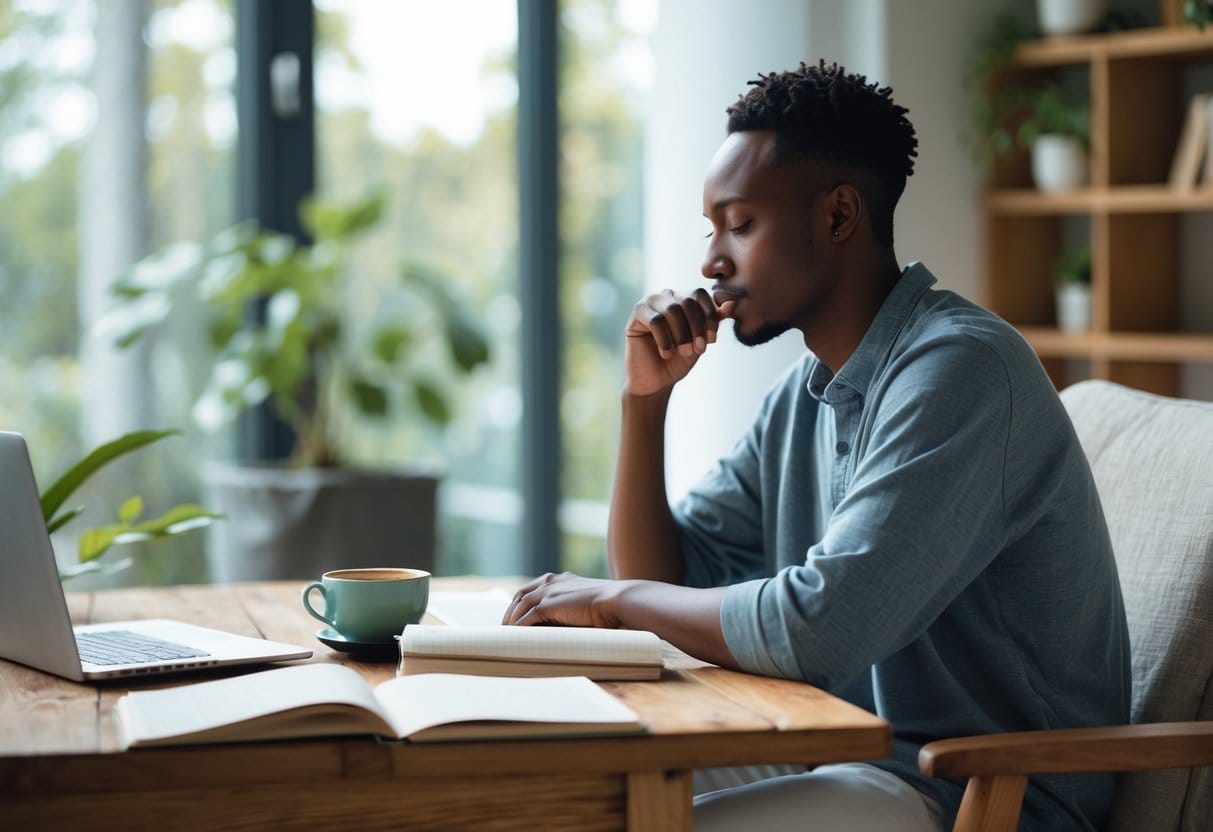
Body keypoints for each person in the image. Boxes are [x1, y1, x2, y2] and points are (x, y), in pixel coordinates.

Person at [503, 60, 1130, 831]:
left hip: (977, 789)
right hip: (842, 753)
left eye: (739, 224)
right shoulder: (804, 396)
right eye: (710, 230)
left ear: (838, 217)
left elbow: (821, 624)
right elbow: (661, 578)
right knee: (564, 792)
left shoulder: (961, 371)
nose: (710, 261)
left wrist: (605, 599)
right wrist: (645, 402)